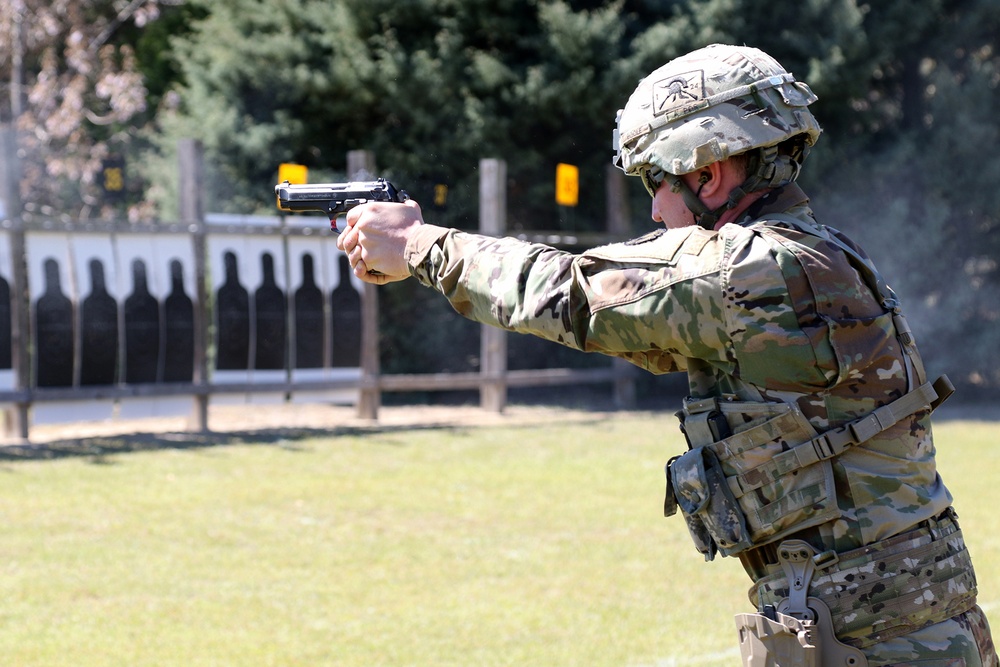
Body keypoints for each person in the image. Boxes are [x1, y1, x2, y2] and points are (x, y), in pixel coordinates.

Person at [337, 44, 996, 666]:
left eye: (657, 181)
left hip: (869, 640)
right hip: (898, 626)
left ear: (709, 173)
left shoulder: (749, 267)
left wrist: (420, 244)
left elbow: (566, 290)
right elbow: (631, 321)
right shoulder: (811, 251)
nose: (653, 209)